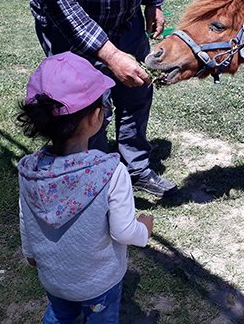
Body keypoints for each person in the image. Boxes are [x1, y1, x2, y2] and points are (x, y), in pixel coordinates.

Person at [28, 0, 177, 197]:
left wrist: (153, 0)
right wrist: (111, 54)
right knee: (90, 107)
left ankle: (136, 167)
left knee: (138, 91)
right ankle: (97, 180)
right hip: (68, 27)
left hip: (126, 19)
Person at [17, 52, 155, 323]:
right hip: (98, 283)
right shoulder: (110, 172)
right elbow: (124, 231)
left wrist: (29, 253)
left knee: (60, 313)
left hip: (53, 277)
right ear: (95, 117)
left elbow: (25, 217)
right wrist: (145, 229)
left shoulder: (29, 170)